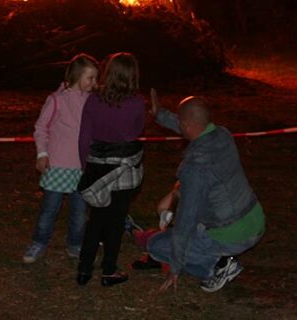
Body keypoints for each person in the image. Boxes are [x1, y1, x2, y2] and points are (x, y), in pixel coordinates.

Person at [145, 93, 265, 293]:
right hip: (255, 219)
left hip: (232, 233)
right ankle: (220, 258)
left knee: (156, 245)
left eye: (180, 122)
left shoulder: (195, 167)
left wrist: (175, 268)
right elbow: (190, 124)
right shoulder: (222, 135)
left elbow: (185, 222)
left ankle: (214, 268)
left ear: (185, 124)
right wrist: (160, 115)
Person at [76, 53, 145, 287]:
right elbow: (135, 131)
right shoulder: (136, 102)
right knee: (116, 221)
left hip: (97, 165)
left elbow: (84, 135)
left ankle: (84, 270)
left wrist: (84, 165)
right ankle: (108, 271)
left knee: (95, 220)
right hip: (123, 169)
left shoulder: (94, 100)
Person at [23, 54, 98, 264]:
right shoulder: (56, 100)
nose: (94, 83)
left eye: (95, 78)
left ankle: (75, 244)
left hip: (82, 167)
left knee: (79, 212)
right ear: (76, 76)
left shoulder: (92, 101)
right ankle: (39, 242)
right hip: (57, 166)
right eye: (90, 78)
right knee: (49, 210)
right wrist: (42, 154)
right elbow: (40, 128)